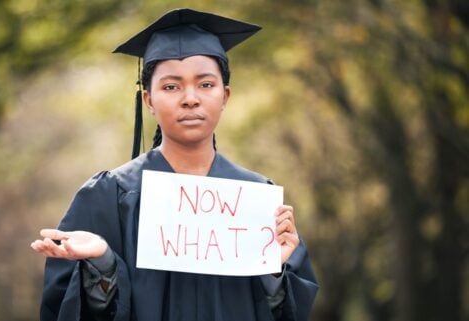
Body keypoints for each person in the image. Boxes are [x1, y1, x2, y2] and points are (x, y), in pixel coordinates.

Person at [31, 8, 318, 321]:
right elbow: (66, 306)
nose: (190, 98)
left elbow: (288, 312)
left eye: (206, 84)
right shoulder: (107, 197)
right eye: (171, 87)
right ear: (148, 101)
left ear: (225, 96)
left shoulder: (257, 203)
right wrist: (103, 263)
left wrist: (273, 273)